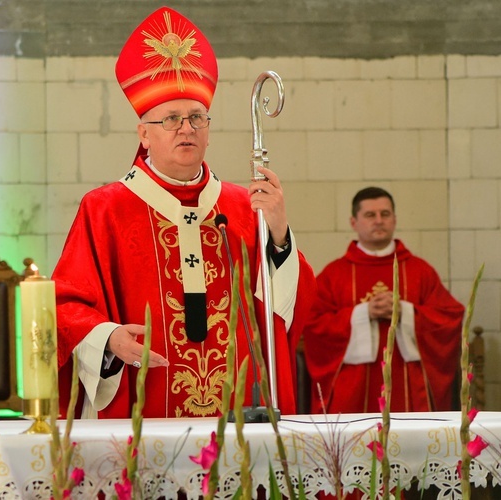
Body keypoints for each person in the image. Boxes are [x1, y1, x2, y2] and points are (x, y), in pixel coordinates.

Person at [52, 6, 316, 419]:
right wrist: (108, 339)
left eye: (196, 117)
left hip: (238, 409)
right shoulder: (105, 208)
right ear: (144, 133)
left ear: (208, 131)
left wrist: (279, 236)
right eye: (171, 118)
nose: (186, 128)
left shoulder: (244, 206)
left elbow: (286, 312)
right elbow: (65, 305)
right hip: (146, 405)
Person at [304, 187, 465, 414]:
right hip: (352, 390)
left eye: (385, 214)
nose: (379, 221)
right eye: (370, 215)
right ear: (353, 222)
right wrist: (362, 314)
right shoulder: (335, 274)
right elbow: (312, 324)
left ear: (395, 219)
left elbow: (449, 317)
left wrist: (405, 312)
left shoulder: (419, 271)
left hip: (408, 385)